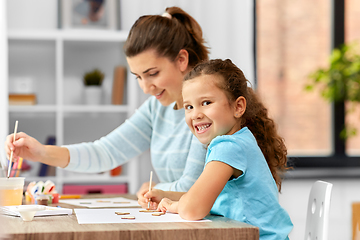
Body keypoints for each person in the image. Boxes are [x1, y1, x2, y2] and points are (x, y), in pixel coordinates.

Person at [4, 7, 210, 208]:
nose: (146, 88)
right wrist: (40, 153)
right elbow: (106, 152)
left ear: (182, 59)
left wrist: (158, 189)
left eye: (152, 73)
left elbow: (192, 187)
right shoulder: (157, 108)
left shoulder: (207, 110)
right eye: (138, 77)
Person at [144, 59, 293, 240]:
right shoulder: (238, 141)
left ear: (238, 107)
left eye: (206, 102)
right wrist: (164, 195)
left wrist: (171, 206)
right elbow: (207, 198)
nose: (196, 114)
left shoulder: (228, 147)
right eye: (189, 106)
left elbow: (193, 208)